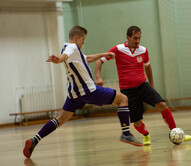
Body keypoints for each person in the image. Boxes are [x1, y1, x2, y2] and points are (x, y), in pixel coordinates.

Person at [23, 26, 143, 158]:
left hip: (74, 94)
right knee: (123, 99)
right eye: (83, 39)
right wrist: (58, 59)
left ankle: (35, 139)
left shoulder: (69, 48)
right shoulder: (72, 48)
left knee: (60, 119)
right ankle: (126, 134)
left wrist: (104, 54)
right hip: (88, 90)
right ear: (76, 38)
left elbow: (86, 58)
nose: (84, 42)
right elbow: (64, 56)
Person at [95, 26, 191, 145]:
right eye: (135, 38)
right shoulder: (118, 49)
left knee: (162, 104)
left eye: (139, 38)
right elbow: (99, 61)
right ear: (128, 37)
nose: (137, 41)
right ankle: (146, 135)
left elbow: (148, 67)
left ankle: (175, 132)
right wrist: (98, 77)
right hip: (128, 91)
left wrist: (151, 85)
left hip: (143, 86)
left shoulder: (143, 50)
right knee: (137, 122)